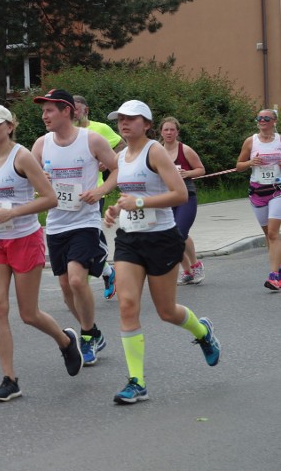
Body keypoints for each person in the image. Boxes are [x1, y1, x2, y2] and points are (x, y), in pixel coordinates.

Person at [103, 100, 221, 404]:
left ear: (147, 124)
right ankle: (136, 381)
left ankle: (203, 331)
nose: (124, 124)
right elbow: (131, 194)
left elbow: (179, 193)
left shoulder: (154, 151)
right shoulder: (121, 156)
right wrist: (116, 208)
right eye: (121, 120)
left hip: (161, 238)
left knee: (167, 311)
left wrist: (140, 204)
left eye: (131, 119)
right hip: (129, 239)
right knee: (127, 304)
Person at [0, 105, 83, 402]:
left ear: (9, 126)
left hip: (25, 239)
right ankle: (9, 379)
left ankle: (66, 341)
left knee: (28, 313)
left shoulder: (23, 157)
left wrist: (13, 212)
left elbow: (50, 199)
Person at [31, 89, 118, 367]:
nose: (44, 116)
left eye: (49, 111)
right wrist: (38, 179)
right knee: (66, 286)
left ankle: (88, 335)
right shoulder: (41, 144)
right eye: (43, 111)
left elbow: (117, 169)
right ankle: (92, 330)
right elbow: (27, 179)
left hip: (85, 221)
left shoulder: (91, 139)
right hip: (56, 224)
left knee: (78, 280)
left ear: (66, 110)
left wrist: (101, 190)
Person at [73, 95, 122, 299]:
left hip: (95, 190)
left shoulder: (100, 129)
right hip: (69, 194)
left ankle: (92, 275)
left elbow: (122, 146)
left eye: (77, 109)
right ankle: (107, 271)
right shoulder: (62, 133)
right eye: (71, 109)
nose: (73, 112)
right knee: (80, 237)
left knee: (89, 235)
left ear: (86, 110)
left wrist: (108, 159)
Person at [235, 108, 281, 290]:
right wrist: (250, 163)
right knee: (268, 235)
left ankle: (274, 276)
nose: (262, 121)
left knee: (272, 233)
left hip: (277, 190)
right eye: (259, 118)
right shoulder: (250, 141)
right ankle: (278, 268)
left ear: (274, 121)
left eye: (266, 118)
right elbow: (238, 166)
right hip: (257, 191)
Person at [159, 117, 206, 285]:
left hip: (187, 196)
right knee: (173, 235)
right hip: (166, 197)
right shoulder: (157, 151)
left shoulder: (185, 150)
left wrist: (188, 173)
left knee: (179, 233)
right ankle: (187, 271)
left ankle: (196, 265)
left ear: (177, 132)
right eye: (166, 130)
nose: (169, 133)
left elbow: (201, 169)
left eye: (172, 130)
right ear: (161, 132)